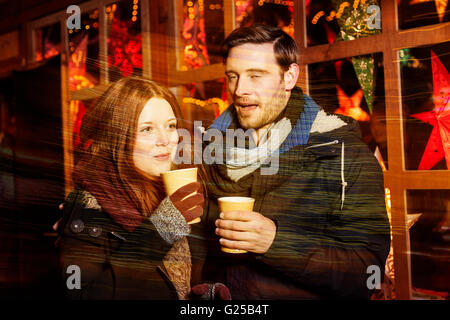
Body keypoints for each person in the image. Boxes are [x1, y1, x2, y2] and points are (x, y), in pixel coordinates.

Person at [200, 25, 391, 299]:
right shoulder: (213, 149)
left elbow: (368, 274)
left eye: (256, 76)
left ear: (289, 77)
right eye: (233, 76)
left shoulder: (344, 156)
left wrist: (276, 243)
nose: (240, 89)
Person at [57, 77, 210, 299]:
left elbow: (183, 282)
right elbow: (79, 295)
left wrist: (205, 293)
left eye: (171, 126)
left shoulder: (179, 189)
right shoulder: (88, 207)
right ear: (117, 138)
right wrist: (160, 229)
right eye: (147, 129)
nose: (164, 139)